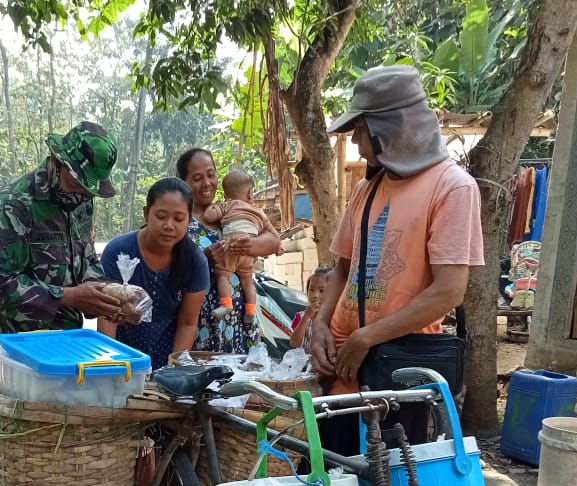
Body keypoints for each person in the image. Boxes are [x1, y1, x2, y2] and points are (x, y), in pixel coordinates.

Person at [308, 64, 484, 455]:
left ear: (390, 127)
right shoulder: (365, 191)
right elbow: (342, 267)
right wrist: (321, 323)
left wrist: (367, 337)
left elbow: (447, 292)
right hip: (340, 367)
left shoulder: (452, 187)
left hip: (399, 370)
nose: (355, 141)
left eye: (360, 128)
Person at [0, 121, 123, 336]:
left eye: (88, 190)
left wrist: (102, 294)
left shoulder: (81, 200)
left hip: (70, 336)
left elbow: (88, 258)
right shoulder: (15, 204)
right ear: (57, 162)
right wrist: (69, 296)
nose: (83, 195)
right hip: (22, 342)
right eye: (77, 184)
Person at [176, 148, 282, 354]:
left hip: (241, 322)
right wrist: (204, 262)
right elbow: (172, 274)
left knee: (240, 382)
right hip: (202, 324)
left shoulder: (231, 210)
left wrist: (247, 246)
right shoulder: (181, 222)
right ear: (184, 183)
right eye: (197, 178)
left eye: (211, 174)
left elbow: (272, 241)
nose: (207, 183)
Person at [96, 178, 210, 369]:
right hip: (120, 355)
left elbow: (188, 323)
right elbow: (107, 315)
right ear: (146, 213)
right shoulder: (119, 252)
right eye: (161, 216)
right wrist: (110, 366)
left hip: (166, 356)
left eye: (179, 218)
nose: (169, 225)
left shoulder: (195, 261)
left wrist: (173, 370)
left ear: (189, 220)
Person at [202, 169, 277, 324]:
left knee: (223, 275)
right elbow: (272, 232)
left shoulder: (229, 204)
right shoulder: (258, 212)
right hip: (249, 255)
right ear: (250, 194)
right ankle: (250, 311)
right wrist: (279, 246)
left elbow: (209, 216)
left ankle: (226, 304)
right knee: (248, 282)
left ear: (225, 195)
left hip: (231, 247)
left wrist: (216, 206)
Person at [290, 266, 332, 352]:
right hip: (303, 363)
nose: (315, 295)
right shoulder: (301, 316)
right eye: (311, 289)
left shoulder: (334, 318)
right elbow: (294, 343)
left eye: (321, 291)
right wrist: (306, 317)